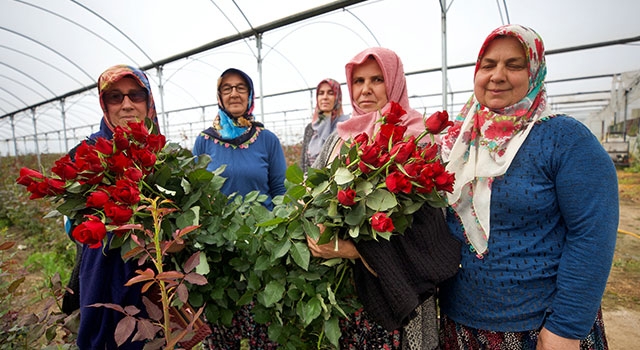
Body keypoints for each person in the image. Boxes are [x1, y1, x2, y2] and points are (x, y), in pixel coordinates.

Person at [438, 24, 618, 350]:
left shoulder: (564, 138)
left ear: (535, 71)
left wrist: (567, 327)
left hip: (538, 328)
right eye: (488, 65)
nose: (497, 75)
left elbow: (592, 235)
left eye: (514, 65)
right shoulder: (456, 143)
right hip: (461, 322)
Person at [307, 47, 461, 350]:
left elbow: (428, 235)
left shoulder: (418, 140)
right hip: (345, 295)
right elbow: (315, 202)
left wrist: (355, 250)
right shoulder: (337, 140)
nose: (365, 89)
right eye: (358, 80)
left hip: (402, 292)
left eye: (377, 79)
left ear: (394, 82)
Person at [191, 67, 287, 348]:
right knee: (223, 326)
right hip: (218, 248)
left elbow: (279, 190)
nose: (234, 93)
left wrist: (279, 233)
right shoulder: (204, 141)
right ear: (219, 96)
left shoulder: (266, 139)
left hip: (261, 247)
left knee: (262, 325)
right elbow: (197, 193)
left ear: (250, 95)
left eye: (241, 87)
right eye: (227, 88)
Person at [68, 65, 160, 349]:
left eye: (136, 95)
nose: (127, 105)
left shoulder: (163, 155)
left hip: (155, 277)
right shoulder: (84, 155)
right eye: (115, 97)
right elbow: (72, 227)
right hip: (103, 277)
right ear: (104, 105)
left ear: (148, 101)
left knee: (155, 334)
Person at [299, 78, 349, 171]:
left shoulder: (346, 126)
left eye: (330, 93)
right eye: (321, 93)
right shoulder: (311, 128)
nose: (325, 97)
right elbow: (303, 163)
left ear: (337, 97)